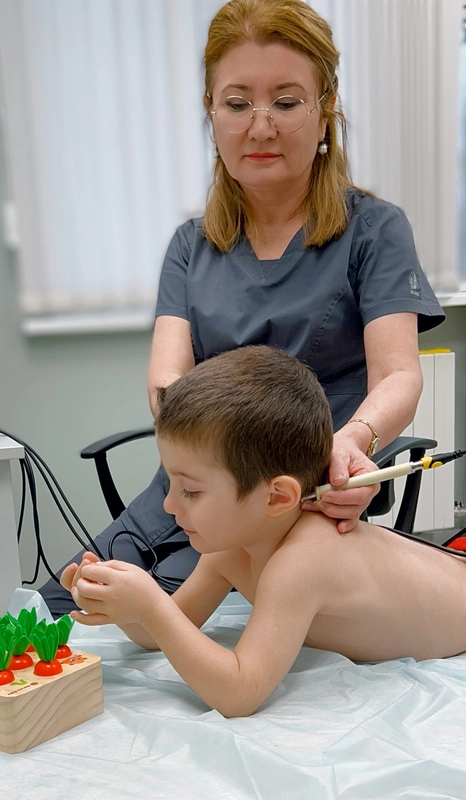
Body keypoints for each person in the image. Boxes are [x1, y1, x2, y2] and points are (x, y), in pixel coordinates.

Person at [40, 0, 444, 617]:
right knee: (59, 611)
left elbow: (398, 375)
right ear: (211, 111)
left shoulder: (374, 232)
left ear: (325, 109)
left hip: (291, 505)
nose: (260, 127)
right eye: (236, 103)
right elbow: (166, 381)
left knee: (152, 629)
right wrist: (200, 465)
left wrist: (350, 442)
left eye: (286, 102)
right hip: (189, 496)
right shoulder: (191, 245)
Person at [62, 346, 466, 718]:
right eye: (171, 483)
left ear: (277, 498)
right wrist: (119, 602)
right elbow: (163, 630)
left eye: (191, 491)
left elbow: (239, 693)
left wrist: (151, 606)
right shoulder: (230, 550)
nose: (169, 505)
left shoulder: (304, 559)